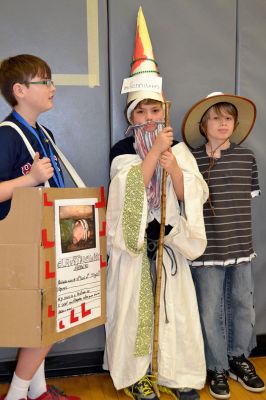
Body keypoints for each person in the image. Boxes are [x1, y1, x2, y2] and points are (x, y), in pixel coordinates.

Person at [103, 7, 209, 400]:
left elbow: (193, 193)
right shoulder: (122, 149)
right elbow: (127, 192)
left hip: (171, 245)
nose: (148, 118)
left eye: (154, 110)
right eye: (141, 111)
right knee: (135, 312)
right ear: (132, 116)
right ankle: (137, 375)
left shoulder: (178, 149)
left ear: (164, 110)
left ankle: (176, 372)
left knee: (174, 314)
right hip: (135, 252)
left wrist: (175, 169)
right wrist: (153, 157)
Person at [0, 54, 80, 400]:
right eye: (44, 81)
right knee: (46, 320)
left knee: (46, 320)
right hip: (22, 243)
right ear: (19, 90)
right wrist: (30, 179)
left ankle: (38, 391)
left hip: (45, 239)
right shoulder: (7, 135)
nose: (53, 88)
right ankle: (17, 396)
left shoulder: (42, 133)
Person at [182, 91, 265, 399]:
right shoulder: (191, 159)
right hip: (206, 250)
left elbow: (247, 201)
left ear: (235, 123)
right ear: (203, 125)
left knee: (243, 304)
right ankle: (216, 366)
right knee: (210, 309)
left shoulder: (247, 157)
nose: (222, 123)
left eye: (228, 118)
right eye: (215, 118)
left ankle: (238, 358)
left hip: (241, 247)